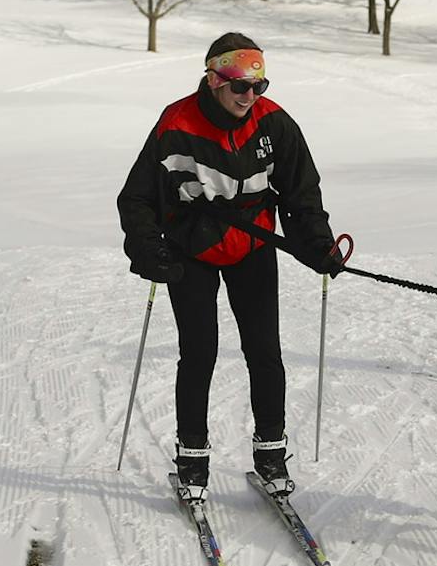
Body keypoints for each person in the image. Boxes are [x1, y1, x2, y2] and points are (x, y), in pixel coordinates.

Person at [117, 32, 345, 501]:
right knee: (199, 353)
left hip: (253, 245)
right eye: (240, 86)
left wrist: (318, 245)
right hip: (190, 248)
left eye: (258, 86)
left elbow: (301, 194)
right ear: (214, 78)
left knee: (265, 351)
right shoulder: (176, 121)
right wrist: (148, 249)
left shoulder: (274, 122)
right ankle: (193, 461)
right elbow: (137, 197)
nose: (249, 96)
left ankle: (270, 455)